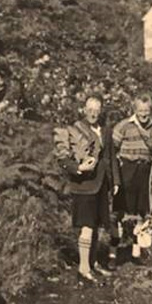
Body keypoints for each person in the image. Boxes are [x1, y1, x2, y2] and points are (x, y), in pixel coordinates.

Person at [53, 96, 120, 282]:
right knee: (87, 226)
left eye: (96, 109)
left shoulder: (106, 130)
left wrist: (115, 182)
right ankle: (83, 268)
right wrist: (78, 168)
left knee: (97, 226)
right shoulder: (74, 130)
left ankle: (93, 263)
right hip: (84, 185)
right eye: (90, 109)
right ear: (84, 110)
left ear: (100, 111)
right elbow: (63, 159)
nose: (93, 113)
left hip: (101, 185)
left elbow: (110, 157)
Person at [111, 95, 152, 261]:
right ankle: (113, 253)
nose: (144, 114)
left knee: (142, 213)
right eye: (140, 111)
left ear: (150, 110)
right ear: (134, 110)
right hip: (127, 171)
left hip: (145, 172)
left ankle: (136, 253)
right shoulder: (123, 126)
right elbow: (112, 149)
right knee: (119, 213)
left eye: (146, 111)